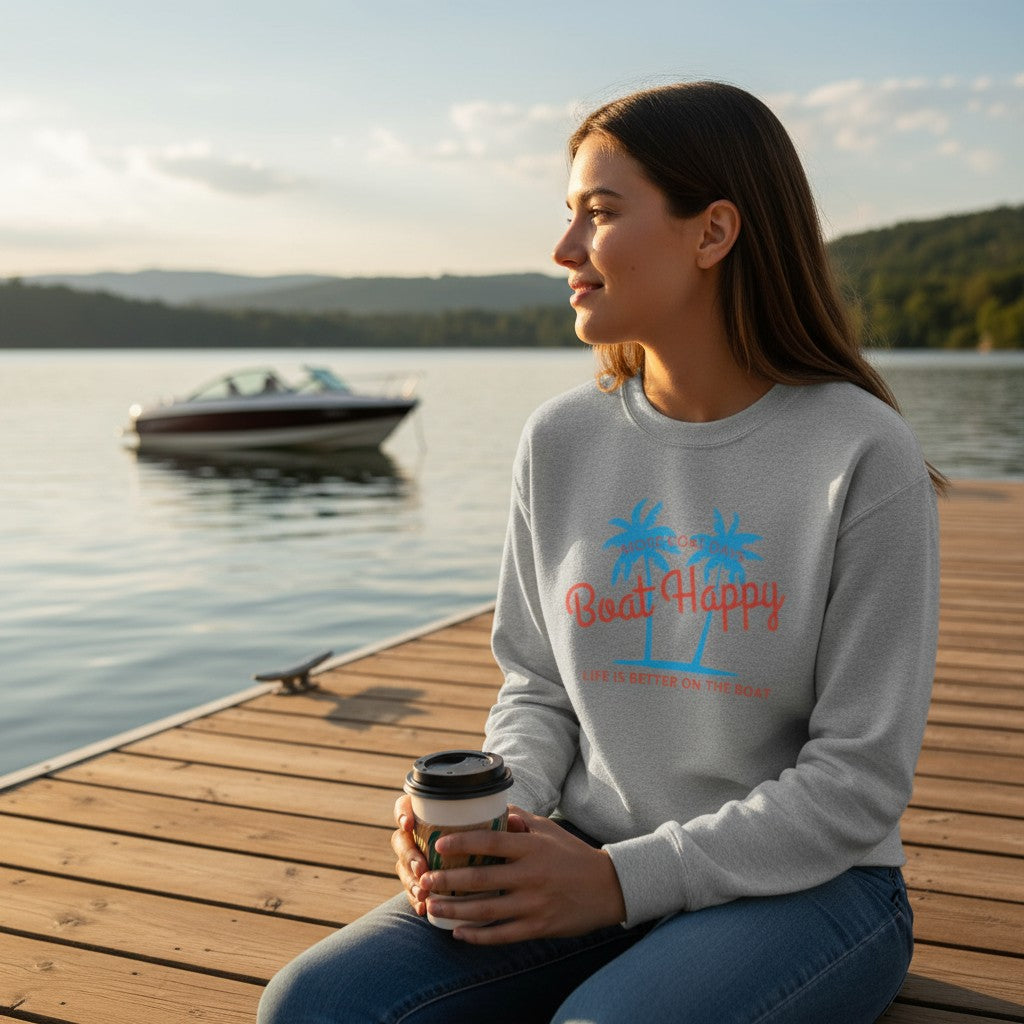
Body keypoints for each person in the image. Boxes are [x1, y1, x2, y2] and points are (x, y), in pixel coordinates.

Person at [258, 80, 942, 1024]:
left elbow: (857, 783)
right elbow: (536, 687)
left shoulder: (860, 454)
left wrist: (622, 882)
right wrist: (491, 819)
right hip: (587, 857)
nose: (563, 249)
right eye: (568, 214)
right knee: (316, 1005)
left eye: (601, 212)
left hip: (811, 887)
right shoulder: (561, 440)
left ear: (713, 233)